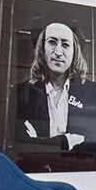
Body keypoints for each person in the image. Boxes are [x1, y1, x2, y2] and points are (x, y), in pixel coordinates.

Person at [12, 22, 89, 152]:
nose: (58, 52)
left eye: (65, 44)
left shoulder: (89, 92)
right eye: (52, 42)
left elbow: (94, 142)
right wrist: (66, 141)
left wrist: (40, 141)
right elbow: (22, 145)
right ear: (42, 49)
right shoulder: (22, 92)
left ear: (74, 52)